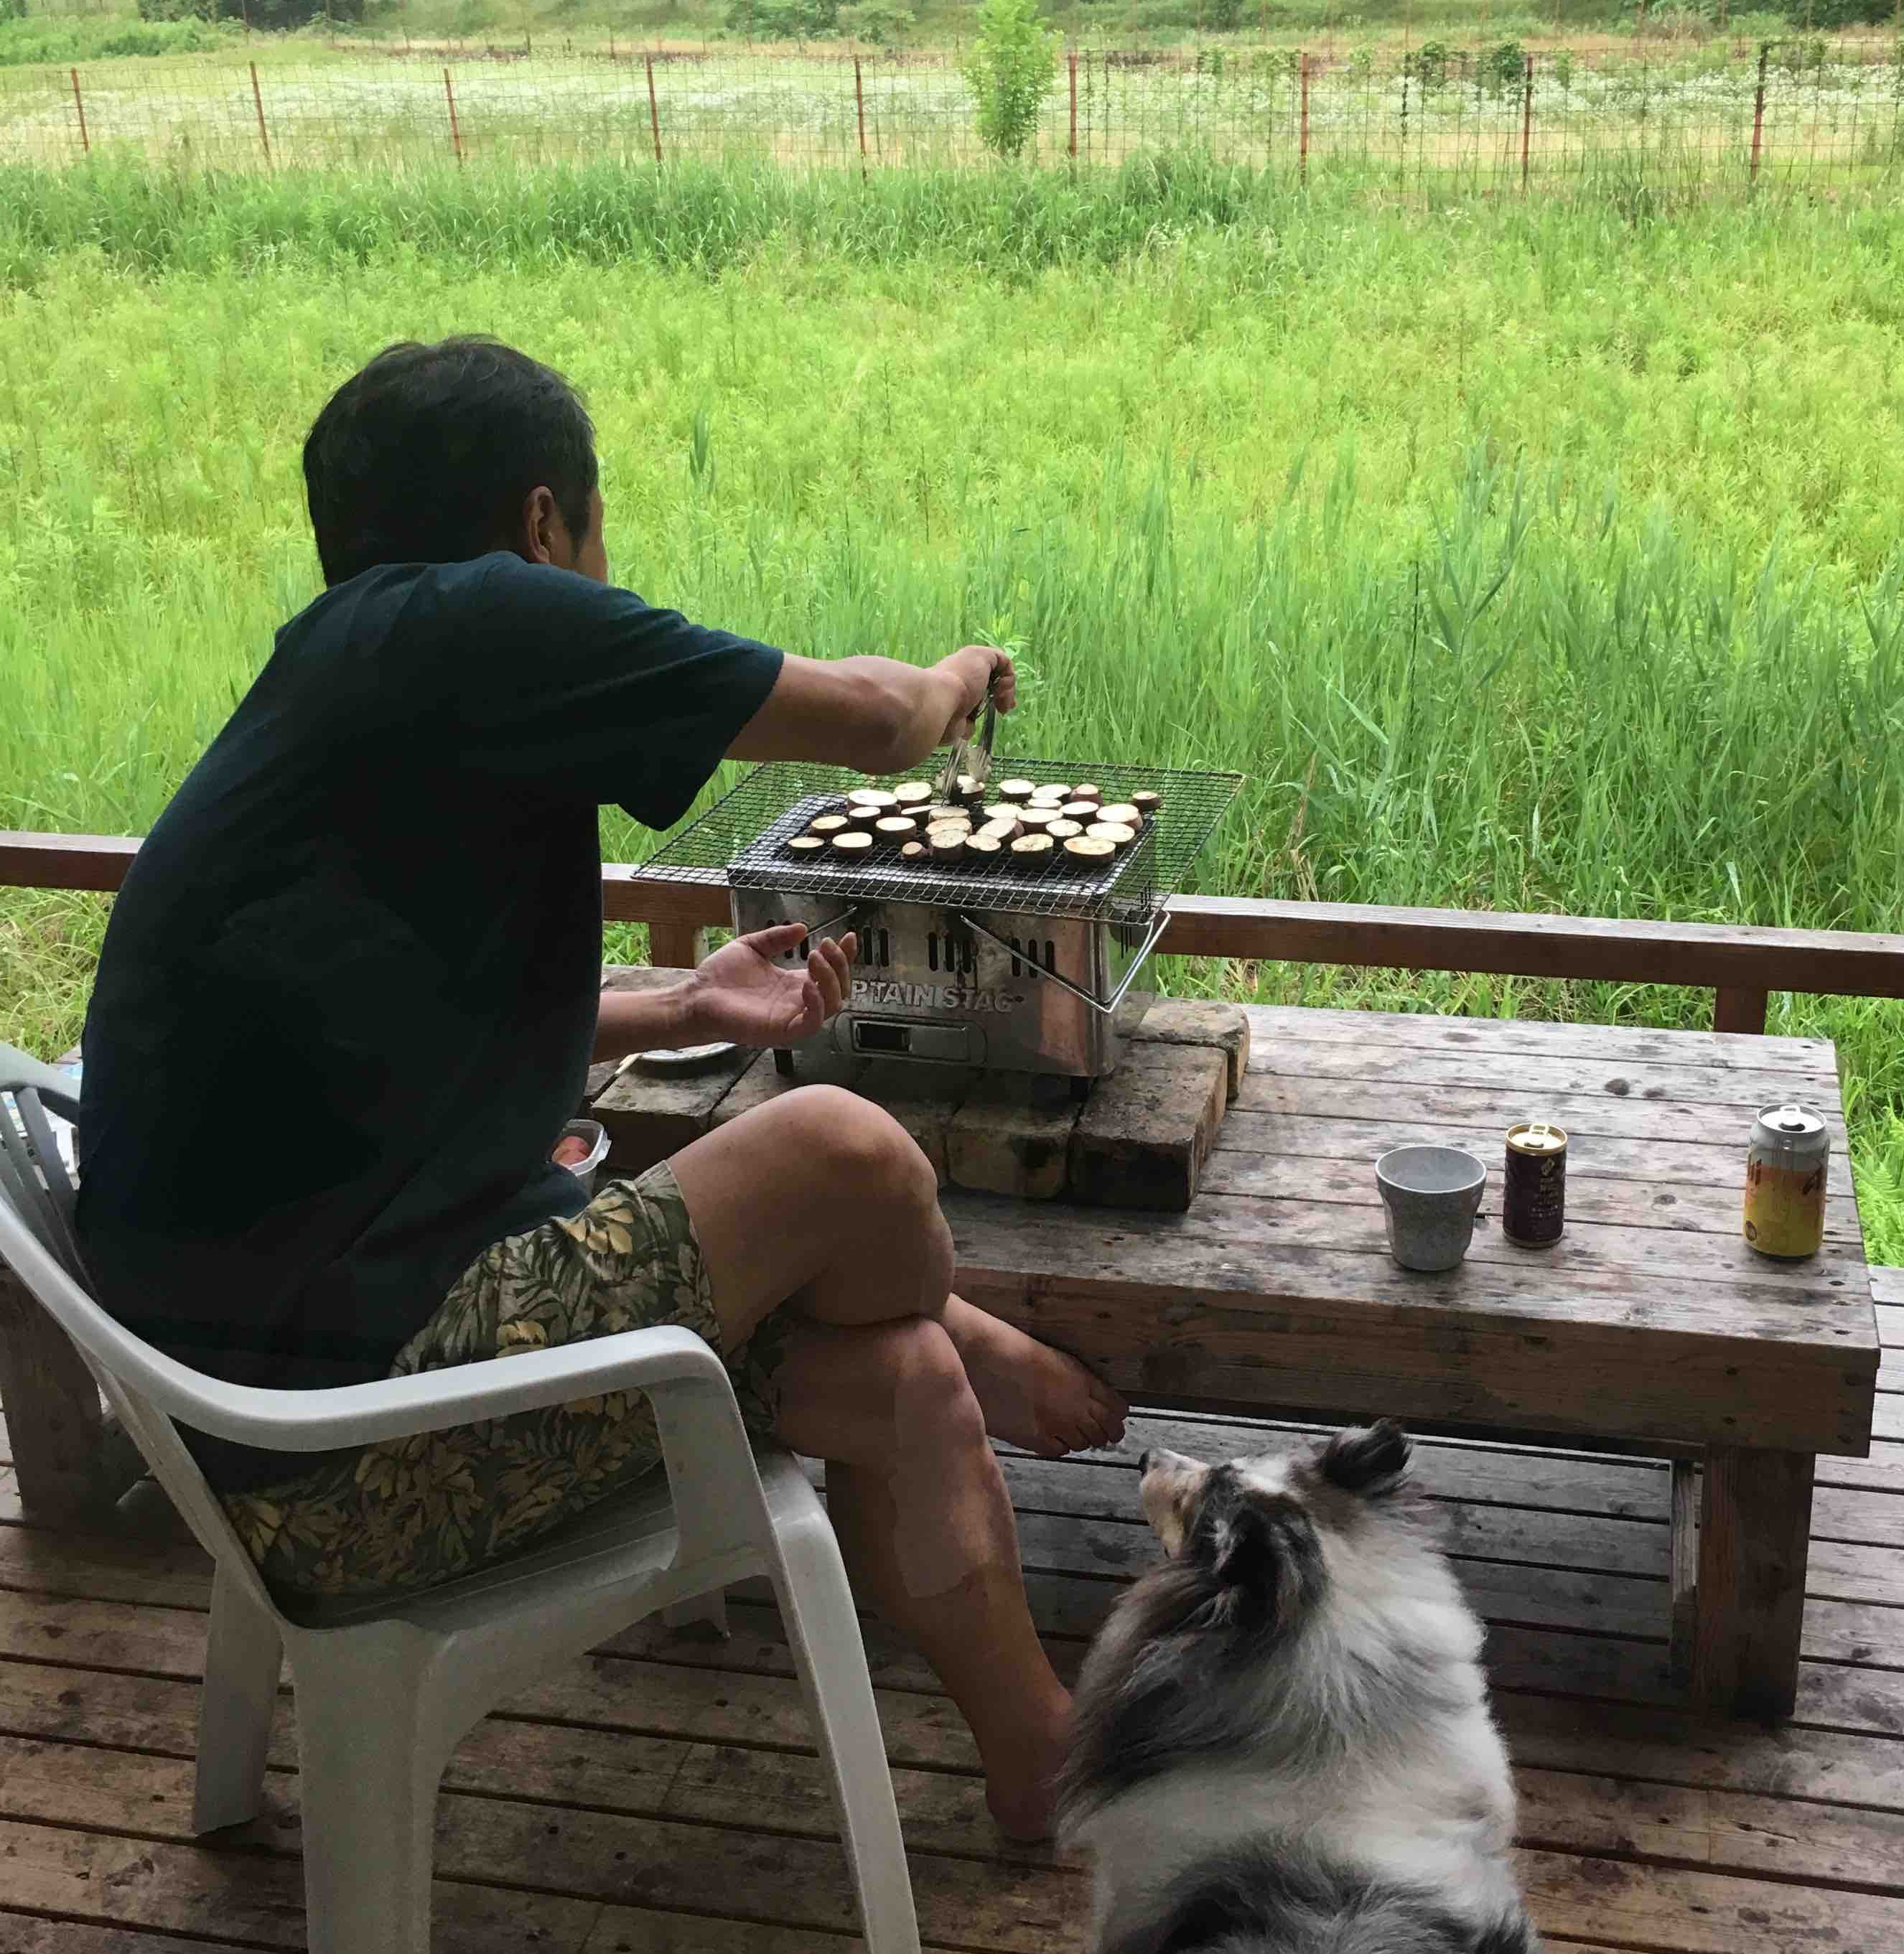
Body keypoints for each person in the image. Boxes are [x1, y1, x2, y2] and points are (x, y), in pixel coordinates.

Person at [76, 337, 1125, 1840]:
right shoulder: (481, 617)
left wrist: (683, 1002)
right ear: (541, 523)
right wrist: (965, 674)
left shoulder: (347, 681)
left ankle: (1044, 1761)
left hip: (272, 1433)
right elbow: (878, 722)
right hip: (359, 1435)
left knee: (904, 1380)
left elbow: (384, 1018)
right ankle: (972, 1326)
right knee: (847, 1154)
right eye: (595, 532)